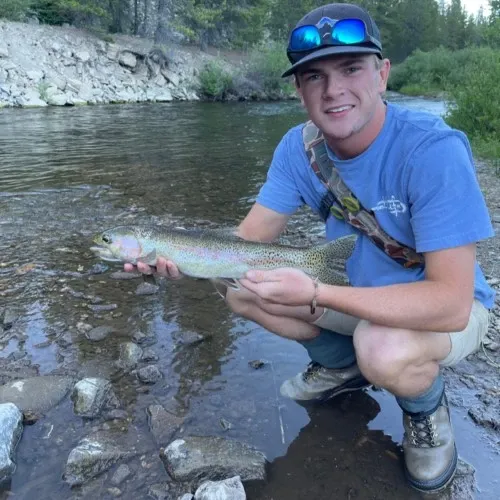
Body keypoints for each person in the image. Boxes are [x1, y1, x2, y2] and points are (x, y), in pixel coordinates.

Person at [125, 2, 495, 493]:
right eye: (315, 77)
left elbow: (449, 304)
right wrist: (176, 257)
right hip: (353, 289)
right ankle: (342, 366)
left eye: (350, 69)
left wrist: (317, 290)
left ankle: (427, 414)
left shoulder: (432, 151)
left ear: (382, 74)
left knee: (380, 346)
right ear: (299, 90)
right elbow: (246, 243)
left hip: (445, 307)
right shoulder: (298, 151)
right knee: (240, 290)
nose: (334, 90)